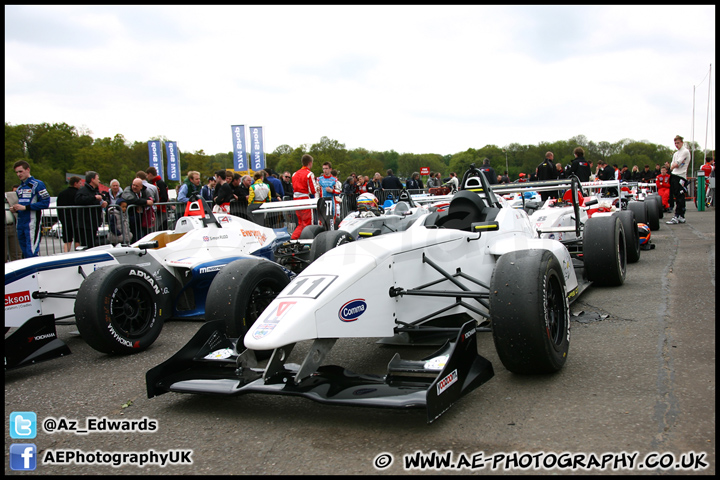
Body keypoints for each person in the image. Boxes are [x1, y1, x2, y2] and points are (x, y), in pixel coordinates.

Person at [10, 161, 51, 258]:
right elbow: (23, 204)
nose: (18, 174)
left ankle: (34, 272)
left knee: (31, 252)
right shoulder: (19, 188)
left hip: (32, 222)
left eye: (21, 171)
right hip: (20, 222)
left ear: (27, 170)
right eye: (17, 172)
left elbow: (45, 203)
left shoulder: (37, 184)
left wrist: (25, 207)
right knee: (23, 252)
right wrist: (16, 208)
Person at [74, 171, 108, 249]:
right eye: (97, 178)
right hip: (85, 223)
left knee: (92, 244)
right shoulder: (84, 190)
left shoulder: (95, 190)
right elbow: (78, 200)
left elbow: (103, 199)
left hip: (93, 222)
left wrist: (104, 202)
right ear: (92, 179)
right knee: (86, 244)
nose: (99, 181)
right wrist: (94, 198)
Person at [291, 154, 317, 240]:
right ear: (310, 163)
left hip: (296, 200)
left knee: (301, 223)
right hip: (305, 200)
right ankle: (309, 242)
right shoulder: (309, 174)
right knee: (308, 223)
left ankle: (293, 239)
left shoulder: (294, 174)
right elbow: (313, 190)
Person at [666, 135, 690, 224]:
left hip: (681, 175)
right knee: (674, 194)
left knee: (680, 195)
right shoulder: (676, 153)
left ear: (682, 142)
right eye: (675, 143)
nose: (676, 145)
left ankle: (679, 215)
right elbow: (673, 164)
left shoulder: (685, 151)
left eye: (678, 143)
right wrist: (673, 166)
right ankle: (678, 214)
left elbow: (677, 164)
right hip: (674, 175)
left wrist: (673, 166)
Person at [56, 176, 82, 252]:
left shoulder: (61, 194)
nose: (81, 185)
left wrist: (61, 219)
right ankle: (78, 255)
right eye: (80, 183)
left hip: (65, 219)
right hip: (76, 219)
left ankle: (66, 255)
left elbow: (58, 207)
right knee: (78, 239)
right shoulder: (78, 194)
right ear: (75, 183)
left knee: (67, 240)